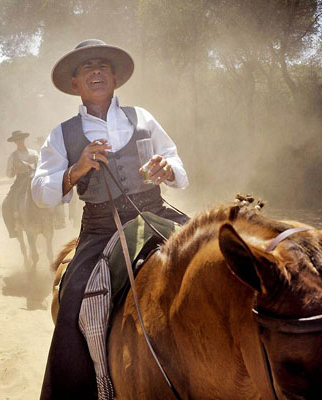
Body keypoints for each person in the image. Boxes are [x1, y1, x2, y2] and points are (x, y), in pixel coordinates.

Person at [32, 39, 189, 399]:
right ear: (75, 84)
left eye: (103, 66)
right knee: (73, 301)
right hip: (101, 227)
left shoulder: (142, 117)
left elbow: (178, 164)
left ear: (115, 77)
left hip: (156, 212)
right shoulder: (62, 134)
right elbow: (40, 192)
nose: (97, 72)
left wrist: (168, 168)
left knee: (217, 257)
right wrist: (76, 169)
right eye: (88, 68)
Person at [1, 131, 39, 238]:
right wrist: (16, 170)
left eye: (21, 139)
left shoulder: (34, 153)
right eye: (17, 140)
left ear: (24, 139)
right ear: (15, 142)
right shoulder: (13, 157)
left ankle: (58, 219)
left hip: (35, 178)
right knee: (6, 203)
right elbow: (9, 174)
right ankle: (13, 228)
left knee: (52, 192)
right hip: (21, 180)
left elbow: (41, 166)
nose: (20, 141)